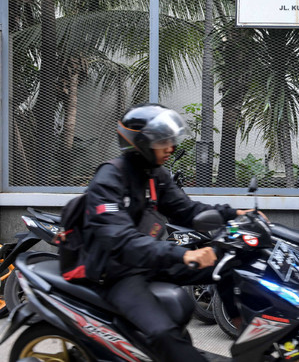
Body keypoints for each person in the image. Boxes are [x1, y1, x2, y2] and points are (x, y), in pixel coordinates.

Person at [82, 103, 250, 362]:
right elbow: (120, 240)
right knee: (163, 333)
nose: (170, 148)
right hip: (115, 272)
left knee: (227, 263)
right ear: (140, 143)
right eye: (163, 142)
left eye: (171, 140)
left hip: (148, 261)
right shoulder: (109, 178)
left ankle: (245, 333)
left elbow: (188, 209)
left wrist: (234, 215)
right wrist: (183, 255)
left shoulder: (155, 174)